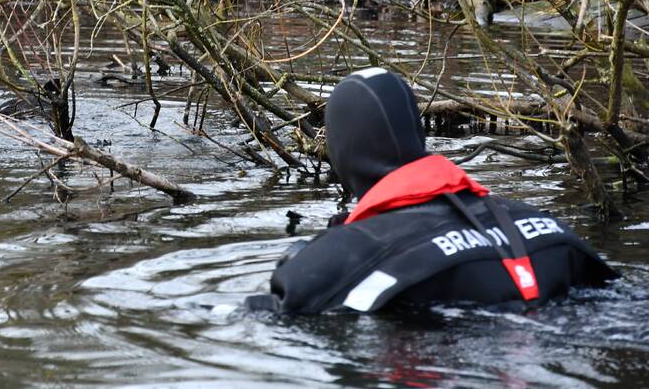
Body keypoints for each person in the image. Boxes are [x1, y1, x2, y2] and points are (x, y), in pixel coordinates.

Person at [246, 67, 617, 314]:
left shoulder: (340, 255)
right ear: (417, 134)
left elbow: (269, 314)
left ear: (343, 155)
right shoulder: (545, 227)